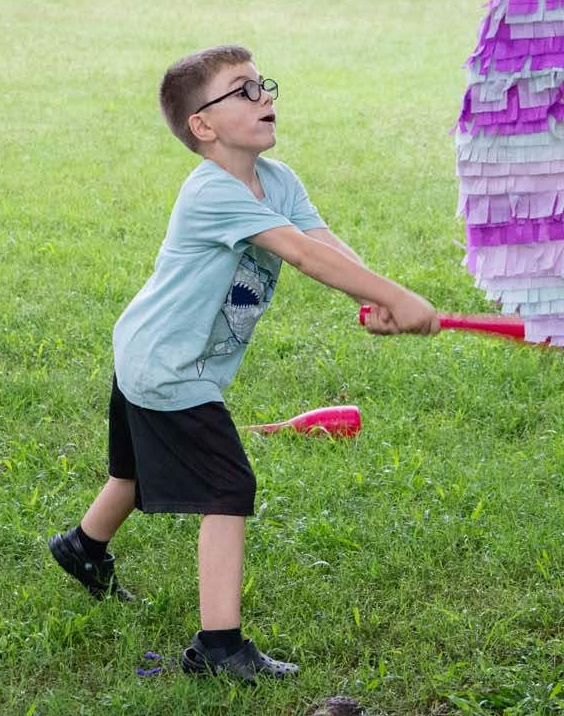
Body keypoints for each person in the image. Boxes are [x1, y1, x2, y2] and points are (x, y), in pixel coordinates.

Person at [47, 45, 438, 682]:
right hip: (171, 367)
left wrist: (376, 293)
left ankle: (83, 549)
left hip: (149, 348)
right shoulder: (210, 192)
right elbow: (302, 257)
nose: (265, 98)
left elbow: (322, 242)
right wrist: (393, 296)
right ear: (203, 125)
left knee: (139, 471)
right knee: (227, 488)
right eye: (243, 91)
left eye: (264, 85)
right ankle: (219, 648)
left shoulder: (278, 180)